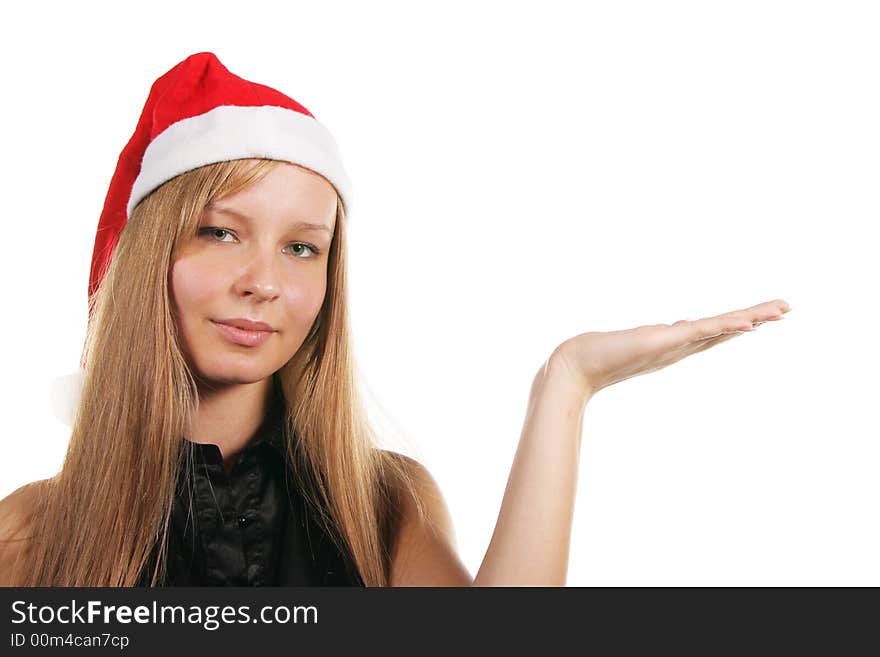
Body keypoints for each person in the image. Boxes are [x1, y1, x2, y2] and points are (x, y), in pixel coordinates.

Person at [0, 52, 790, 587]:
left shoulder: (381, 502)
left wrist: (567, 383)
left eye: (303, 248)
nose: (265, 283)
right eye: (220, 231)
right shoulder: (28, 531)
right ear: (148, 263)